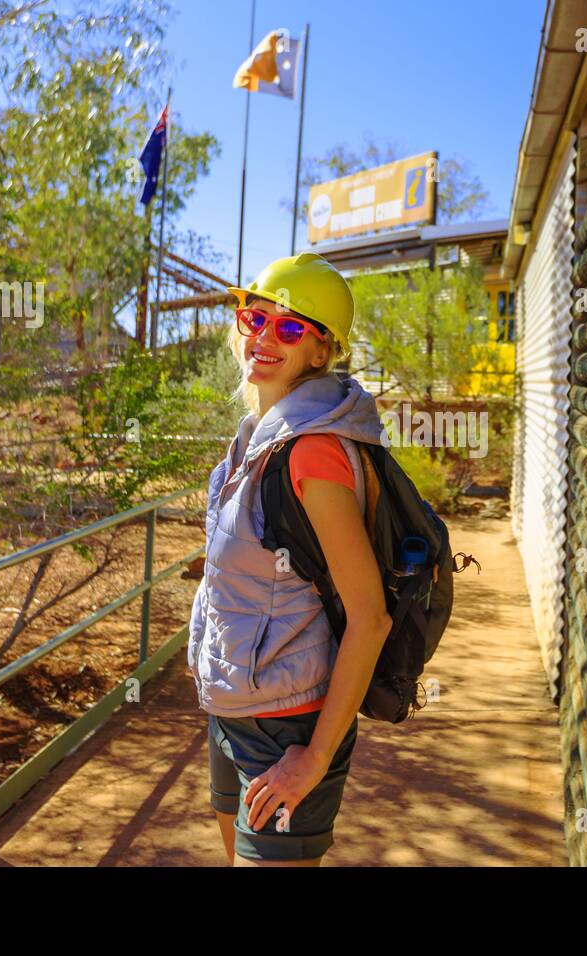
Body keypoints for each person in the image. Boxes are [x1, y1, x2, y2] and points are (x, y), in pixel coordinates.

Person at [187, 252, 392, 867]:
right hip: (233, 709)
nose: (266, 337)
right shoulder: (258, 436)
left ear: (321, 351)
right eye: (256, 318)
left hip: (287, 728)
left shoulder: (314, 454)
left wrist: (314, 756)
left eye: (292, 327)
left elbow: (370, 618)